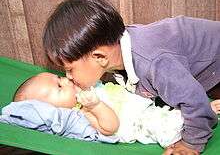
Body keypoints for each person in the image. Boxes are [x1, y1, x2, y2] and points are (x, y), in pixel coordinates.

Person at [42, 0, 220, 155]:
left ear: (99, 57)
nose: (69, 78)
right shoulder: (117, 54)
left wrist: (190, 144)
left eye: (69, 70)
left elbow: (195, 101)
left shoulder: (154, 64)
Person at [13, 72, 220, 151]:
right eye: (59, 86)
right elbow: (111, 127)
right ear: (52, 110)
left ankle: (195, 108)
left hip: (143, 105)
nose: (66, 80)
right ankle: (200, 115)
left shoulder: (84, 92)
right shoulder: (79, 115)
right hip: (138, 124)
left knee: (168, 105)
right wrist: (94, 107)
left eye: (60, 78)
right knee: (164, 125)